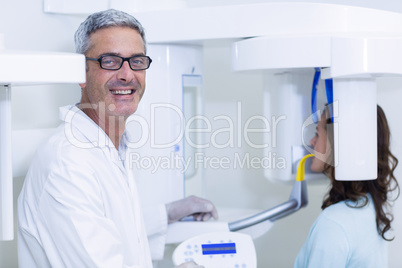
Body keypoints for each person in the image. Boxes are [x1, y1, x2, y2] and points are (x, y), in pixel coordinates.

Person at [17, 9, 217, 268]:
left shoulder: (110, 147)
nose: (127, 74)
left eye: (136, 61)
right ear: (81, 73)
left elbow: (111, 229)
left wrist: (167, 214)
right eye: (110, 61)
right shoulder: (67, 164)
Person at [294, 105, 399, 267]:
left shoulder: (333, 223)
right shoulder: (376, 207)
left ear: (337, 141)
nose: (311, 141)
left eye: (317, 133)